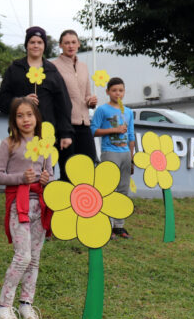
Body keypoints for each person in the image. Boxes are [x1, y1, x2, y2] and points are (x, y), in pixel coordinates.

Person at [0, 98, 53, 319]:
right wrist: (20, 179)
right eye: (20, 115)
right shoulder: (9, 144)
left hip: (41, 206)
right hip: (20, 205)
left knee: (34, 259)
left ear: (37, 117)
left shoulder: (46, 146)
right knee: (23, 256)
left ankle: (26, 303)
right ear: (13, 120)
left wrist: (47, 179)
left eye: (29, 114)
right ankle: (3, 305)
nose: (25, 119)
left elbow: (50, 174)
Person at [0, 26, 74, 166]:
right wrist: (20, 102)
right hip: (19, 135)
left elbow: (64, 105)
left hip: (46, 135)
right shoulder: (15, 69)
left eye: (39, 42)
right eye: (32, 42)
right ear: (26, 45)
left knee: (44, 177)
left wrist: (65, 133)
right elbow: (1, 101)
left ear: (44, 46)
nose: (36, 45)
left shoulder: (52, 71)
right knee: (20, 173)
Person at [91, 77, 135, 239]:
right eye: (114, 90)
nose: (118, 93)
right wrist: (113, 130)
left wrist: (132, 158)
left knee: (124, 189)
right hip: (110, 152)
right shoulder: (102, 110)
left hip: (125, 154)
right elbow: (93, 130)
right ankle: (106, 225)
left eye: (121, 90)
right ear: (108, 92)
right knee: (109, 189)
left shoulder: (128, 112)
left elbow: (131, 135)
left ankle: (119, 226)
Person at [51, 30, 98, 180]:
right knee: (68, 171)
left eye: (73, 42)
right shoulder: (53, 66)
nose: (70, 46)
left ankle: (84, 202)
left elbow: (86, 94)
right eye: (66, 43)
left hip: (84, 123)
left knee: (89, 166)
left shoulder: (83, 66)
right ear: (60, 45)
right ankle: (64, 202)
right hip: (65, 126)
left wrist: (91, 100)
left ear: (78, 44)